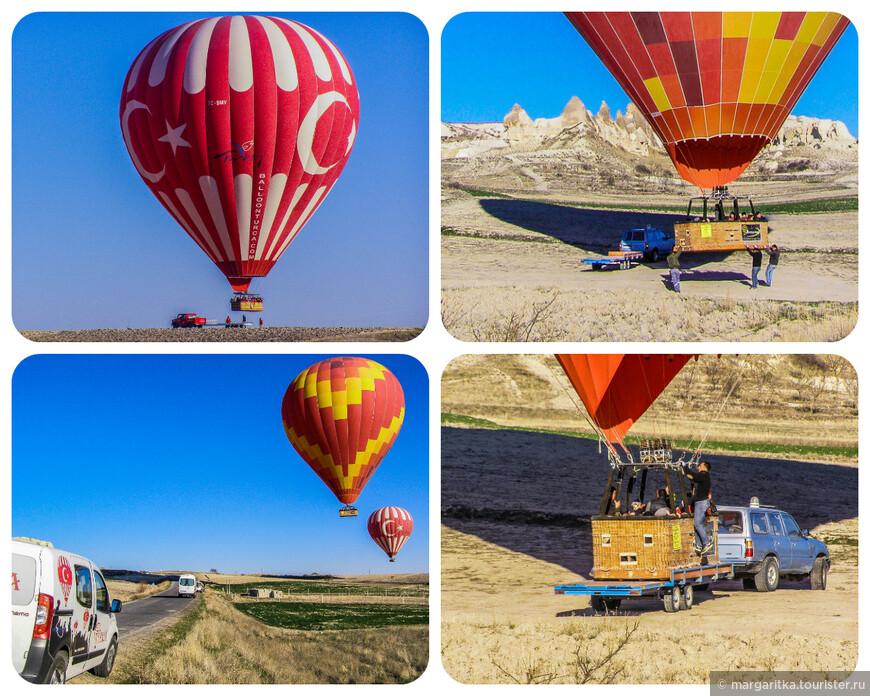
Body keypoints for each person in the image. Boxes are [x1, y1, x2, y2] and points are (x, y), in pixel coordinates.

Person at [683, 460, 713, 553]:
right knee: (697, 524)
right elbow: (691, 477)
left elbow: (691, 476)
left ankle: (706, 542)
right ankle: (699, 545)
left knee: (697, 523)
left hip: (701, 503)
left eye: (700, 466)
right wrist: (687, 469)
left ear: (704, 467)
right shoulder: (702, 477)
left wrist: (684, 467)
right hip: (699, 503)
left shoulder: (703, 476)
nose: (698, 467)